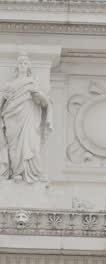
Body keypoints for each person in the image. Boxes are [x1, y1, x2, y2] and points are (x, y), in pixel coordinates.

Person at [0, 53, 52, 184]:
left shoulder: (34, 83)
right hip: (11, 116)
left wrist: (39, 96)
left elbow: (45, 102)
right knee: (14, 146)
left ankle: (33, 173)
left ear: (28, 67)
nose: (22, 65)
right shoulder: (9, 85)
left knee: (31, 144)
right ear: (17, 67)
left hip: (29, 116)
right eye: (20, 63)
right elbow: (2, 101)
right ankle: (16, 172)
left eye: (25, 63)